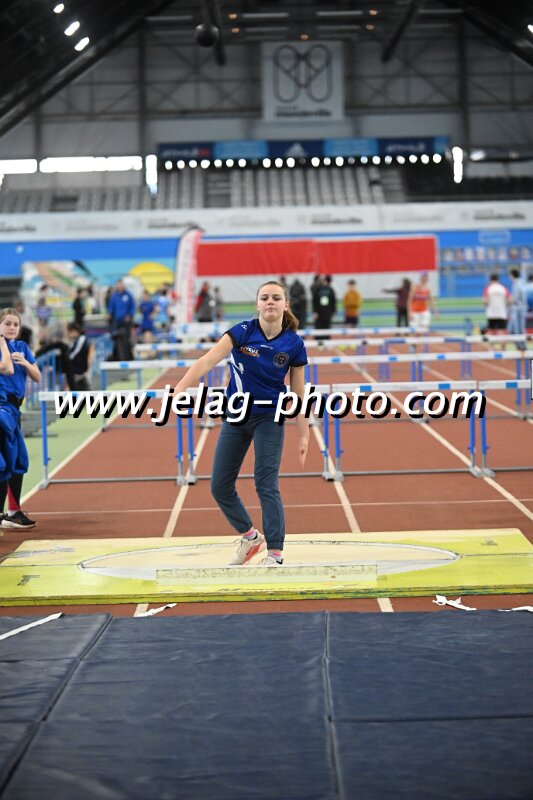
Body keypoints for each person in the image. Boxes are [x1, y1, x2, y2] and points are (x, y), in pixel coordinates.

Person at [174, 280, 309, 567]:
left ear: (285, 305)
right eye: (265, 297)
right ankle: (250, 537)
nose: (270, 302)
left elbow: (299, 392)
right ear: (257, 304)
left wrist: (304, 434)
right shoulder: (242, 331)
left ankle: (275, 553)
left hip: (269, 418)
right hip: (236, 415)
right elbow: (207, 361)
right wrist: (180, 387)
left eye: (276, 298)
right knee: (220, 486)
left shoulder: (294, 344)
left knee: (266, 483)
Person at [0, 308, 42, 530]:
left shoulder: (22, 347)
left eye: (16, 324)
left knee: (17, 461)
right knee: (4, 463)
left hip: (15, 410)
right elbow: (6, 369)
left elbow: (37, 376)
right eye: (7, 323)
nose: (12, 327)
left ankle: (13, 511)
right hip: (2, 409)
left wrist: (25, 363)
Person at [107, 279, 135, 361]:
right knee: (116, 339)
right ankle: (118, 357)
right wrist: (110, 314)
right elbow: (111, 306)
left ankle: (128, 357)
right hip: (116, 321)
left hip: (126, 321)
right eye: (119, 285)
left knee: (126, 340)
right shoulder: (114, 296)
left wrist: (129, 315)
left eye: (121, 285)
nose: (120, 287)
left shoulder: (128, 295)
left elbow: (132, 306)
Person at [66, 322, 94, 390]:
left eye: (70, 332)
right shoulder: (76, 340)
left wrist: (67, 358)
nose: (69, 334)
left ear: (75, 330)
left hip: (81, 370)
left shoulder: (82, 338)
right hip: (77, 370)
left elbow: (76, 351)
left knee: (85, 388)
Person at [312, 275, 336, 339]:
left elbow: (333, 301)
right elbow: (314, 301)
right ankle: (318, 341)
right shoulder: (317, 289)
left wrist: (333, 311)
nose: (324, 282)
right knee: (318, 328)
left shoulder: (330, 290)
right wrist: (314, 312)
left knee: (327, 327)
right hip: (319, 313)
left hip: (327, 312)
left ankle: (326, 340)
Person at [508, 268, 527, 346]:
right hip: (519, 309)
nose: (509, 277)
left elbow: (516, 299)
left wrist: (509, 301)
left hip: (518, 310)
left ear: (512, 275)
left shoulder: (517, 284)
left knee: (517, 330)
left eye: (509, 275)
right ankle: (521, 346)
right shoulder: (521, 283)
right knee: (515, 330)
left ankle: (522, 346)